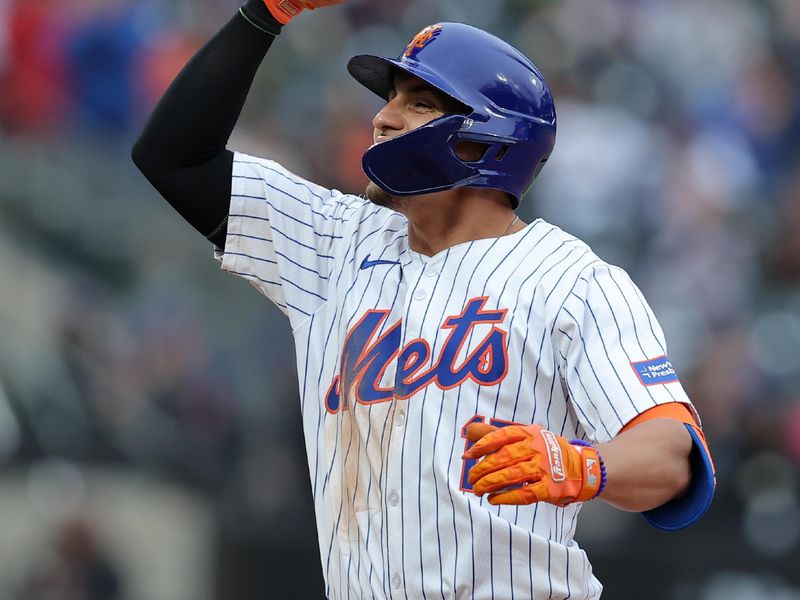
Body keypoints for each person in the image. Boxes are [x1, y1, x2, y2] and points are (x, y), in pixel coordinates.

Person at [132, 1, 716, 597]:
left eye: (420, 103)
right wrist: (265, 14)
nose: (383, 118)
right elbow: (174, 158)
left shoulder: (571, 280)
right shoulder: (333, 242)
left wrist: (584, 464)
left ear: (486, 139)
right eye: (390, 98)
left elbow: (673, 458)